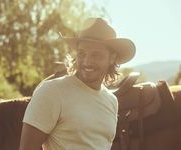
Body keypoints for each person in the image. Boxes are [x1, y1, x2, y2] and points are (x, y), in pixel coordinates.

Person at [19, 18, 136, 150]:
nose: (86, 62)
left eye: (96, 55)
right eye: (82, 54)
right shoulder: (52, 91)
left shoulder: (111, 101)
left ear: (112, 57)